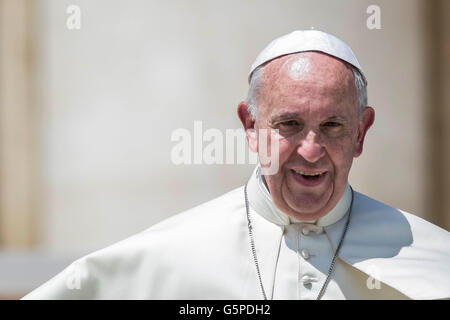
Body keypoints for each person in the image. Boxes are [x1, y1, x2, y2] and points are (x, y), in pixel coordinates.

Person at [23, 30, 449, 300]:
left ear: (361, 132)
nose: (311, 150)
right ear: (250, 126)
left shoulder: (433, 259)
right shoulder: (157, 260)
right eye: (290, 125)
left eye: (333, 125)